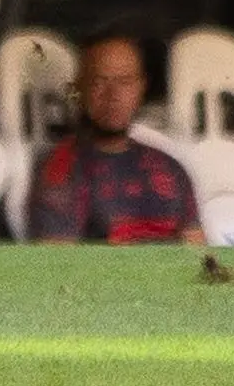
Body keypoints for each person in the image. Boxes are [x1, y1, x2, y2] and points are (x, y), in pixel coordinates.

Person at [29, 35, 204, 245]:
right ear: (79, 89)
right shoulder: (62, 170)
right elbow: (57, 265)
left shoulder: (169, 167)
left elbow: (199, 255)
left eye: (125, 81)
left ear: (141, 88)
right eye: (99, 82)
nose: (113, 94)